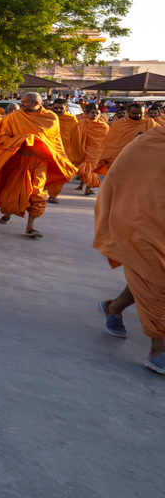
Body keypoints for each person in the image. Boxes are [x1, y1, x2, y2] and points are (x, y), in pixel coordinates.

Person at [92, 121, 165, 373]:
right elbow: (116, 180)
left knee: (148, 278)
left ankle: (113, 308)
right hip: (143, 223)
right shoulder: (148, 142)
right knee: (155, 279)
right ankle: (159, 350)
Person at [0, 93, 77, 239]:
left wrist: (31, 141)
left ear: (36, 104)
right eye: (21, 102)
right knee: (13, 191)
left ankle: (31, 227)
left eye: (25, 102)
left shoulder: (50, 117)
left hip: (39, 161)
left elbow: (50, 140)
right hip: (17, 159)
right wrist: (21, 142)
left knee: (38, 193)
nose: (21, 105)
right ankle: (8, 214)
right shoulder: (13, 117)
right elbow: (2, 137)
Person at [46, 99, 83, 203]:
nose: (58, 110)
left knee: (59, 173)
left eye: (61, 108)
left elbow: (75, 138)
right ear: (51, 107)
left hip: (64, 151)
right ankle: (42, 189)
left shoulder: (71, 120)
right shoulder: (47, 117)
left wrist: (76, 154)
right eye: (55, 108)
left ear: (66, 108)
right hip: (47, 149)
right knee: (44, 171)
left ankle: (53, 195)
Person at [97, 102, 150, 174]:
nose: (138, 115)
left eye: (141, 113)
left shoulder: (150, 124)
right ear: (128, 112)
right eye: (134, 113)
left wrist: (146, 137)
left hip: (139, 159)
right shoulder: (118, 124)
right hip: (118, 158)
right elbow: (110, 142)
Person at [76, 104, 110, 196]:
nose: (94, 114)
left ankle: (88, 188)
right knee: (81, 170)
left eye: (97, 113)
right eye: (92, 113)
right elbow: (76, 137)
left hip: (97, 152)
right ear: (87, 114)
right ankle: (82, 184)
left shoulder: (104, 127)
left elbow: (106, 140)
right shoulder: (81, 123)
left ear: (100, 115)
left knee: (93, 171)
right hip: (83, 149)